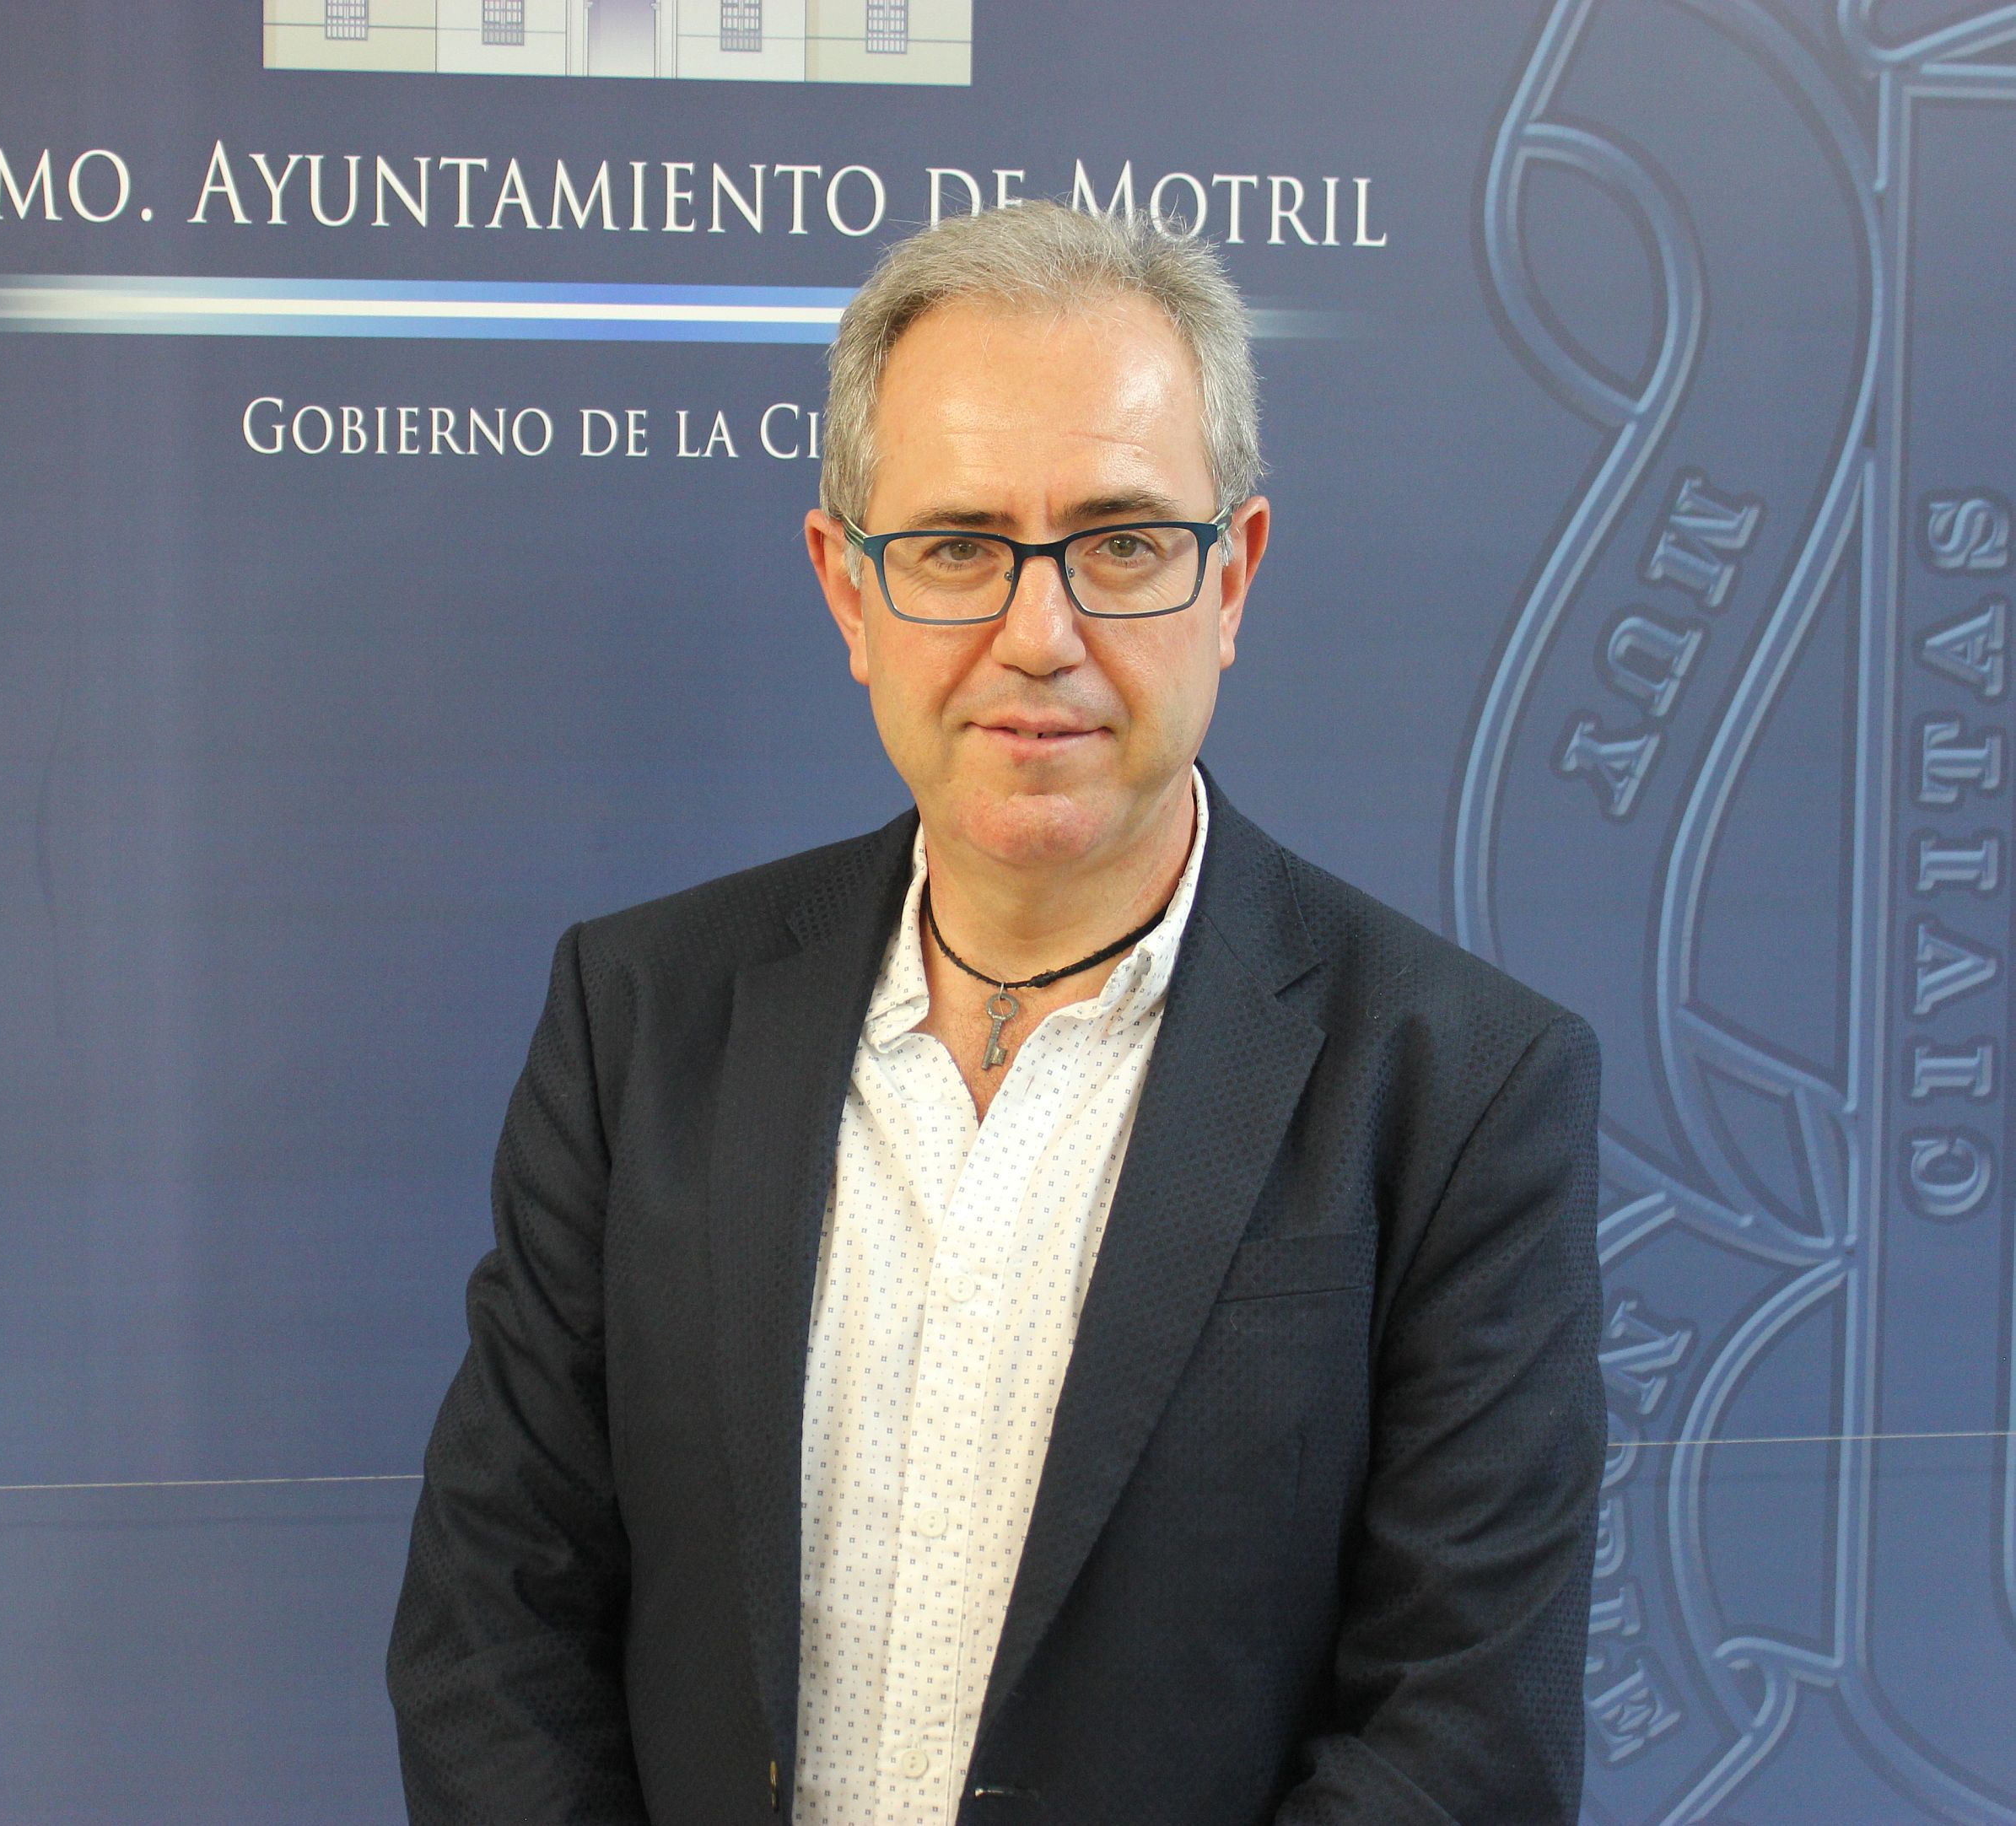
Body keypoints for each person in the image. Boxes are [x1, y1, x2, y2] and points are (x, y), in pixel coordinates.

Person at [386, 200, 1604, 1825]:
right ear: (849, 590)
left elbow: (1463, 1740)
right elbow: (494, 1629)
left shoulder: (1460, 1087)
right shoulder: (641, 1020)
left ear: (1232, 577)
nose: (1041, 636)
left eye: (1123, 543)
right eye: (958, 546)